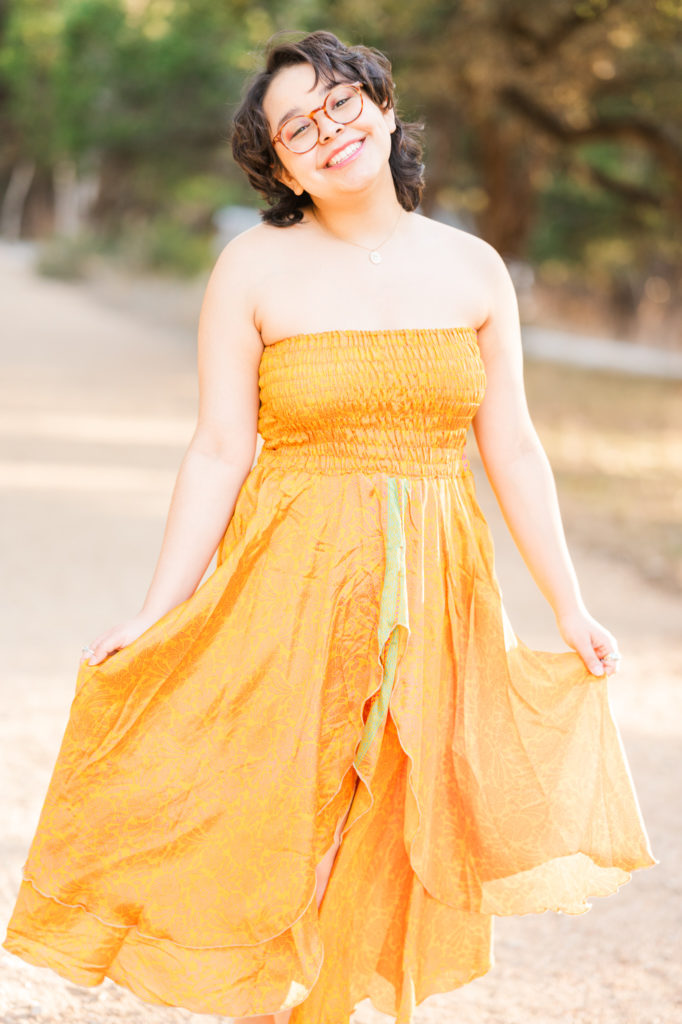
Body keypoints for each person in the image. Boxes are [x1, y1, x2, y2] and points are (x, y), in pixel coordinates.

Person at [3, 29, 655, 1024]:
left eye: (341, 103)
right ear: (278, 164)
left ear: (384, 107)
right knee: (274, 811)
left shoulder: (474, 269)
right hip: (291, 581)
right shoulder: (252, 268)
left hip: (435, 585)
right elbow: (219, 447)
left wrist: (569, 605)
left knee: (392, 820)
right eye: (295, 127)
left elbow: (511, 447)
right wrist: (156, 612)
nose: (327, 130)